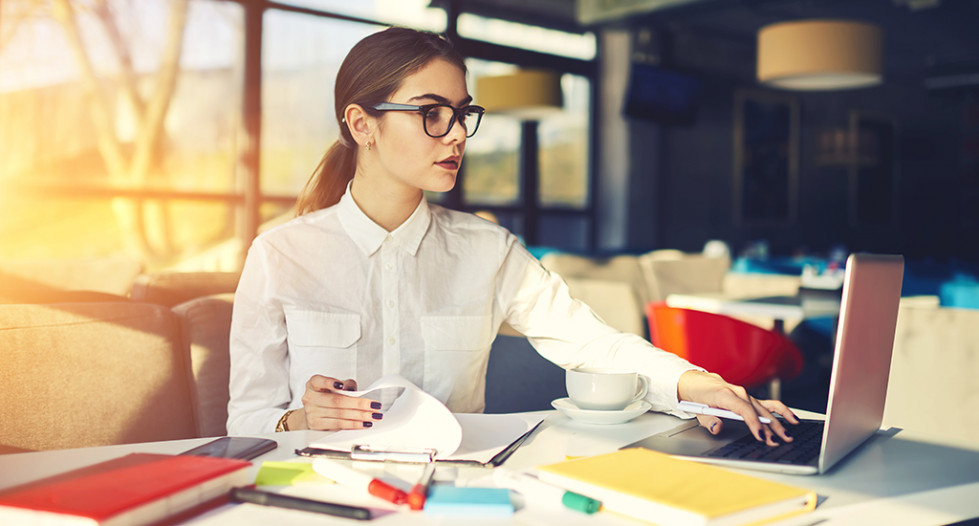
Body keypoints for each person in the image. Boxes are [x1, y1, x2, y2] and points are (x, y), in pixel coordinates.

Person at [227, 26, 798, 446]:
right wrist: (298, 420)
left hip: (458, 492)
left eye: (462, 113)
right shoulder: (280, 256)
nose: (456, 136)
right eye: (431, 113)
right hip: (316, 497)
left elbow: (592, 344)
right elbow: (245, 422)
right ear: (361, 125)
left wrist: (699, 383)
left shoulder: (487, 252)